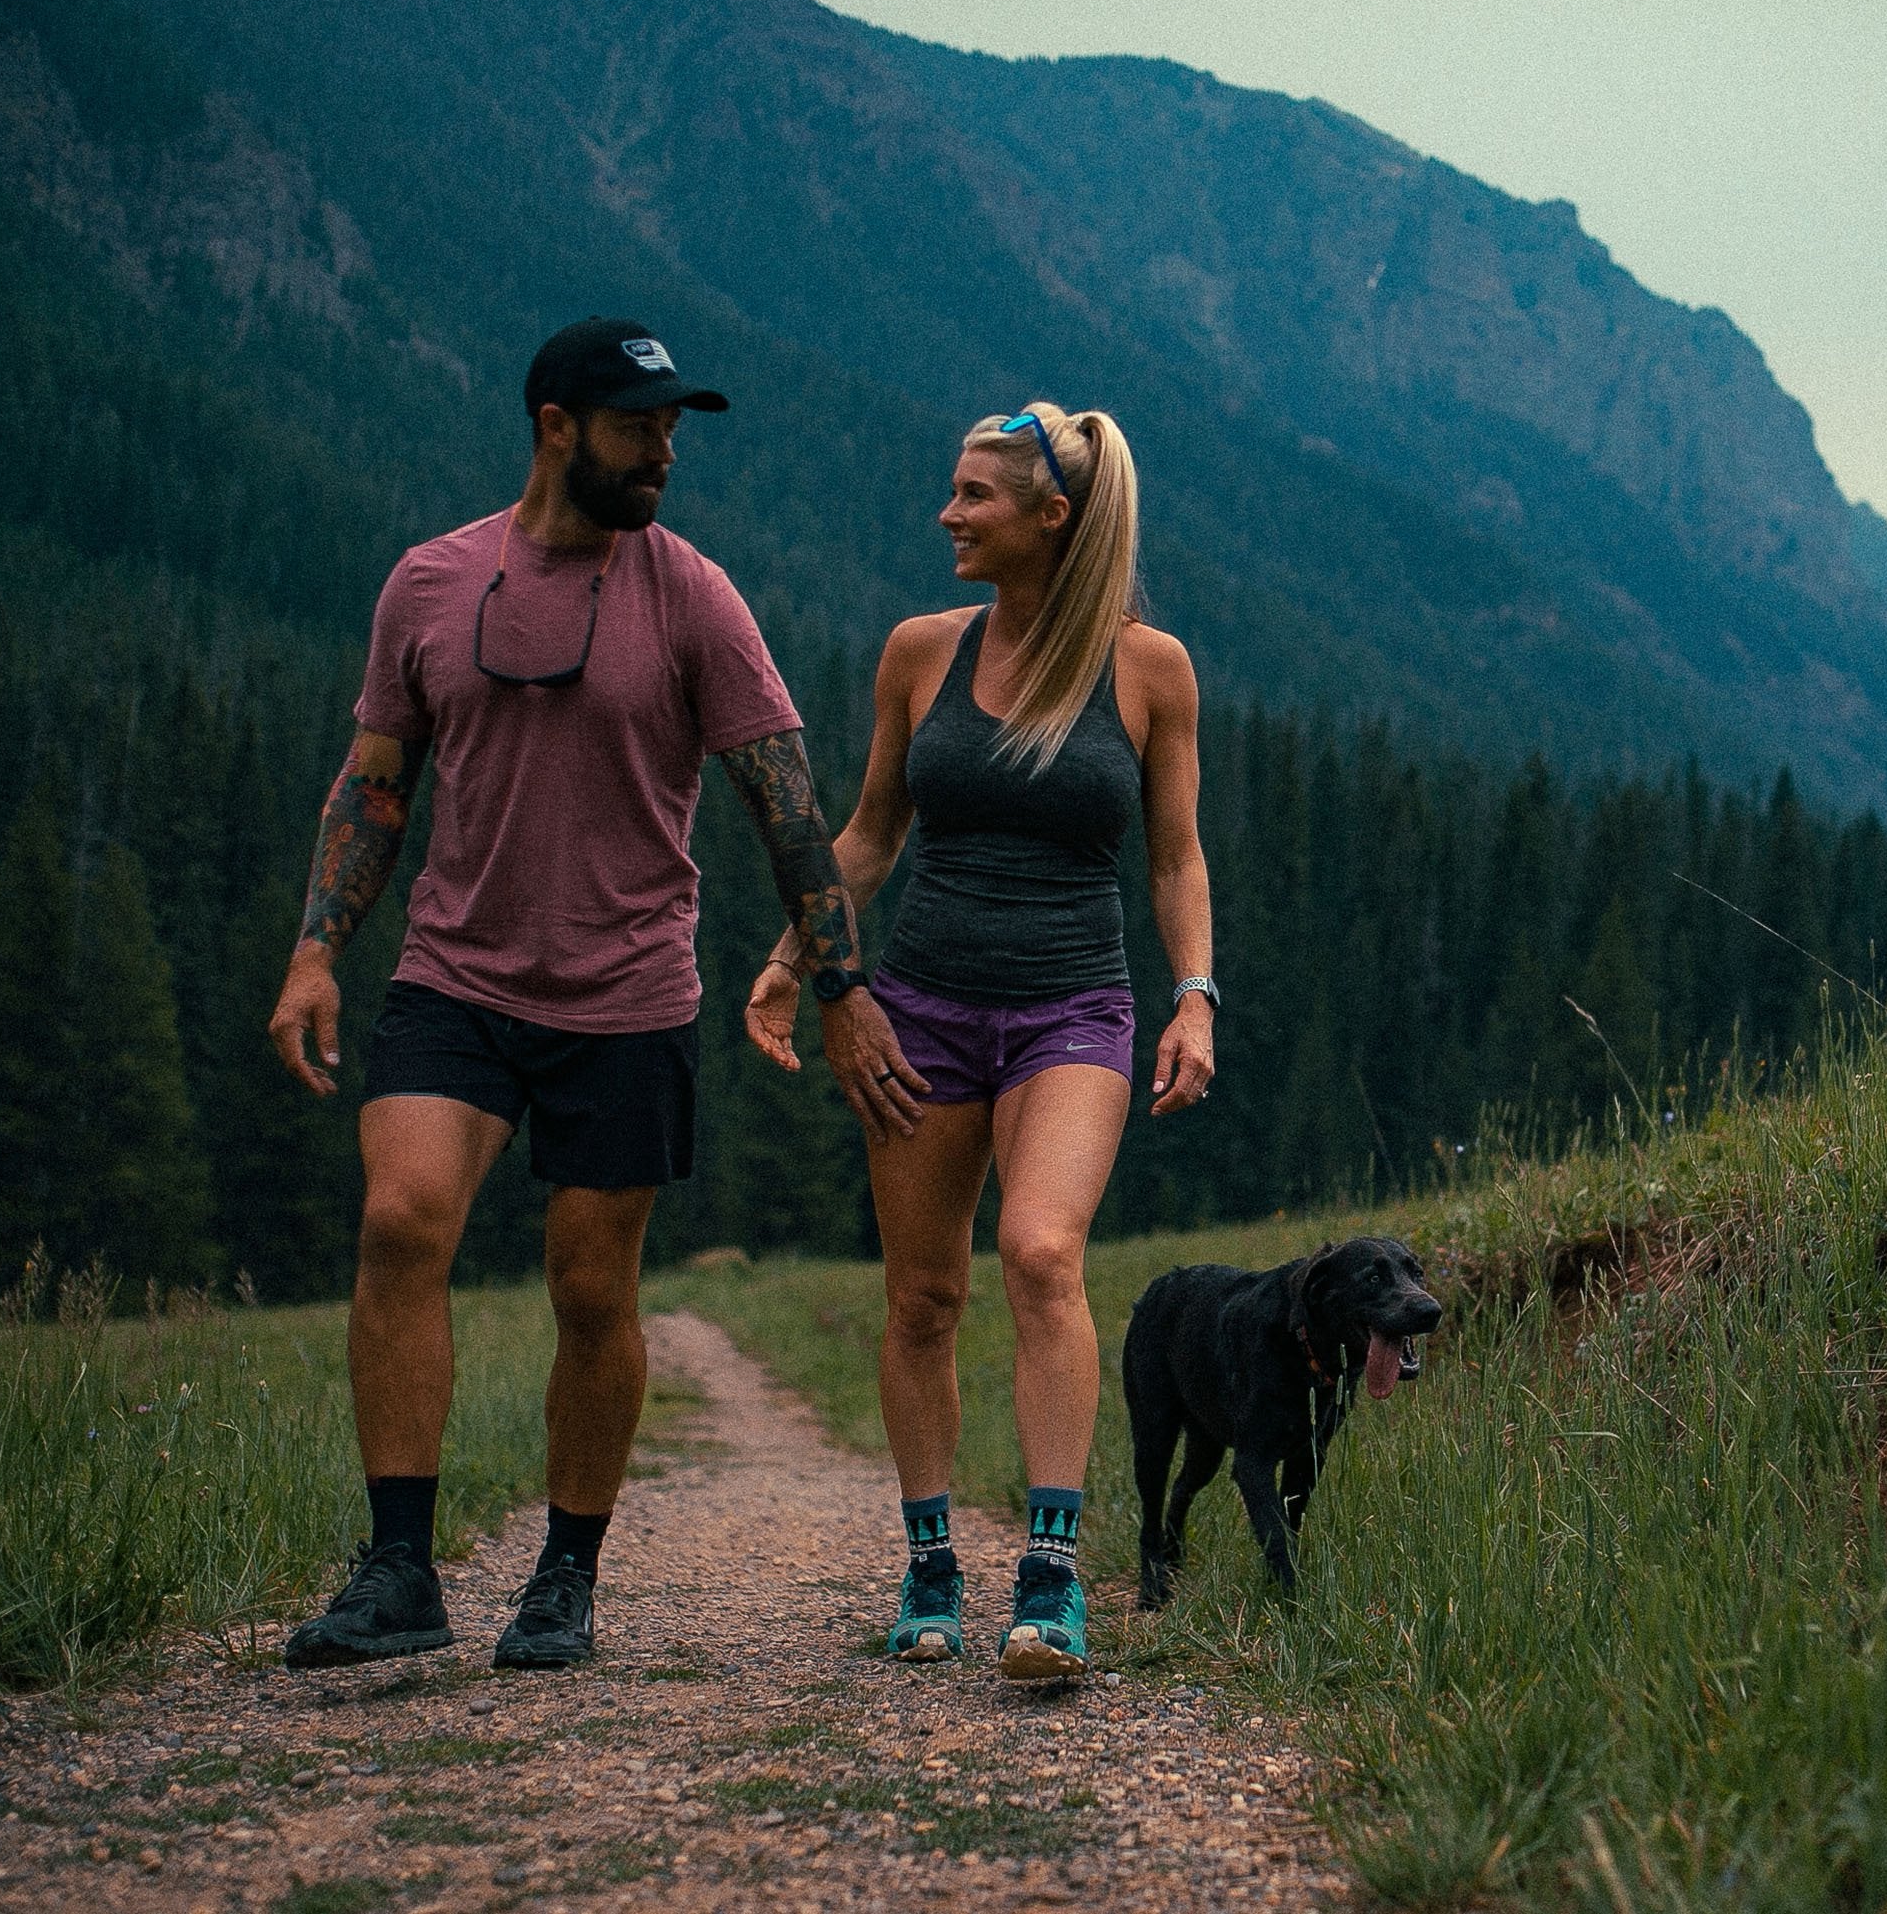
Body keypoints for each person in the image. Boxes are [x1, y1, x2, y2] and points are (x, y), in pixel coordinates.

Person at [267, 318, 897, 1671]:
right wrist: (317, 948)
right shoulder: (431, 583)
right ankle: (398, 1573)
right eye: (639, 425)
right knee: (398, 1222)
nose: (665, 450)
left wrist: (837, 982)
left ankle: (565, 1573)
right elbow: (377, 782)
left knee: (590, 1288)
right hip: (454, 974)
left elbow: (785, 811)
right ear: (557, 424)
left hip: (625, 994)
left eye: (675, 427)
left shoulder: (693, 597)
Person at [745, 401, 1216, 1681]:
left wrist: (1193, 994)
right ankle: (930, 1564)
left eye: (972, 497)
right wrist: (795, 961)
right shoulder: (919, 652)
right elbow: (866, 839)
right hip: (924, 1010)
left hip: (1075, 1008)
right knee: (924, 1297)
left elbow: (1174, 856)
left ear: (1048, 520)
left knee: (1041, 1250)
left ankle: (1052, 1581)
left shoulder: (1148, 670)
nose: (947, 515)